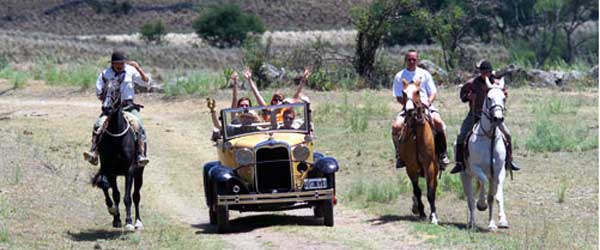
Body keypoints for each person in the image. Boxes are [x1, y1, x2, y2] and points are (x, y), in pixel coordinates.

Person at [450, 60, 520, 174]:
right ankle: (460, 163)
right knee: (461, 135)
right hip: (475, 113)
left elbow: (503, 96)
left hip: (493, 116)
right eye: (482, 72)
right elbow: (462, 96)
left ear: (490, 72)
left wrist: (504, 96)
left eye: (487, 72)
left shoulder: (497, 84)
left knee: (508, 135)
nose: (485, 74)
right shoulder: (472, 83)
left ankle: (509, 161)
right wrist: (468, 97)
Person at [83, 51, 150, 167]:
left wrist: (138, 68)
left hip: (128, 106)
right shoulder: (105, 74)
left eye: (122, 63)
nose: (120, 66)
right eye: (117, 63)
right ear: (112, 64)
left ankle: (140, 154)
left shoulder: (131, 70)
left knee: (139, 125)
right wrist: (108, 100)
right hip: (111, 109)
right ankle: (94, 152)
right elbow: (99, 93)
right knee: (98, 125)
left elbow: (146, 82)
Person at [391, 49, 450, 170]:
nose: (412, 62)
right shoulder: (399, 76)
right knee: (396, 127)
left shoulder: (424, 74)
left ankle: (442, 153)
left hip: (425, 106)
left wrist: (427, 102)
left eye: (414, 59)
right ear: (405, 60)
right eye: (409, 59)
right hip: (407, 107)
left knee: (438, 123)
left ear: (417, 60)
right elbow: (398, 96)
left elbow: (433, 92)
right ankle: (399, 154)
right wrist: (408, 103)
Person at [244, 68, 311, 121]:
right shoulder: (267, 110)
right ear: (272, 101)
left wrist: (303, 80)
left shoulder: (285, 110)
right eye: (275, 99)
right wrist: (249, 80)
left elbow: (295, 96)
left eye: (280, 100)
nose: (278, 101)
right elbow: (257, 94)